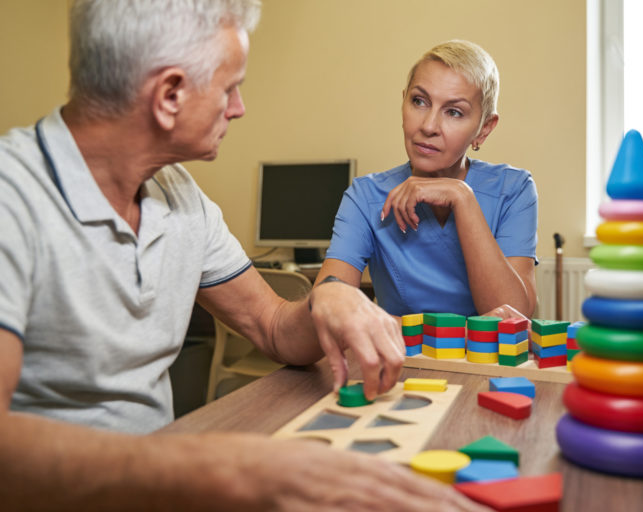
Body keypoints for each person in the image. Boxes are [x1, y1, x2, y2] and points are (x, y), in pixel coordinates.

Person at [0, 2, 488, 510]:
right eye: (230, 87)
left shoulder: (180, 196)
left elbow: (274, 326)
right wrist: (217, 467)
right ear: (169, 95)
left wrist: (328, 299)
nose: (238, 108)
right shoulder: (11, 195)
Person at [316, 40, 538, 320]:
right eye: (419, 101)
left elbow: (515, 317)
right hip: (401, 361)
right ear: (403, 103)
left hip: (485, 364)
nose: (428, 126)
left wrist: (463, 197)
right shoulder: (365, 197)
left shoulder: (513, 190)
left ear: (483, 130)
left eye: (454, 112)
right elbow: (328, 308)